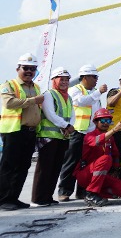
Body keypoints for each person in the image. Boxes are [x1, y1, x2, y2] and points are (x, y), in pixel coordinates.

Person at [0, 53, 43, 211]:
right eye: (26, 68)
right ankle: (4, 199)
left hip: (30, 132)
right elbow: (9, 103)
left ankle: (14, 198)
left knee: (23, 166)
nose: (29, 71)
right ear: (18, 68)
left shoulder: (36, 87)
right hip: (14, 131)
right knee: (9, 166)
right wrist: (33, 101)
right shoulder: (9, 85)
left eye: (32, 69)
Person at [59, 64, 107, 202]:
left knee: (87, 163)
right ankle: (64, 191)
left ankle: (82, 191)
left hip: (91, 134)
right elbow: (80, 102)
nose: (96, 80)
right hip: (78, 132)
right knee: (71, 162)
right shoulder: (75, 90)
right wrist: (98, 93)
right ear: (85, 77)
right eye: (94, 77)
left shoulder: (94, 93)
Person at [32, 67, 75, 206]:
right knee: (44, 168)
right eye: (61, 79)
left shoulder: (68, 98)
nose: (64, 82)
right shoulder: (49, 94)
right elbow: (50, 114)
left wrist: (70, 126)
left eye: (66, 79)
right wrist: (66, 126)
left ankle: (48, 196)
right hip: (48, 137)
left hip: (62, 137)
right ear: (54, 80)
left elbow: (72, 115)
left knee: (55, 168)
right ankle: (38, 198)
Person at [74, 108, 121, 207]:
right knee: (106, 158)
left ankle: (97, 193)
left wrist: (116, 169)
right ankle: (91, 194)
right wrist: (114, 130)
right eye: (102, 121)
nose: (105, 123)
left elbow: (116, 154)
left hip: (100, 176)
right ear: (95, 122)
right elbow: (97, 141)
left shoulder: (110, 139)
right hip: (86, 174)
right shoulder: (89, 136)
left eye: (108, 121)